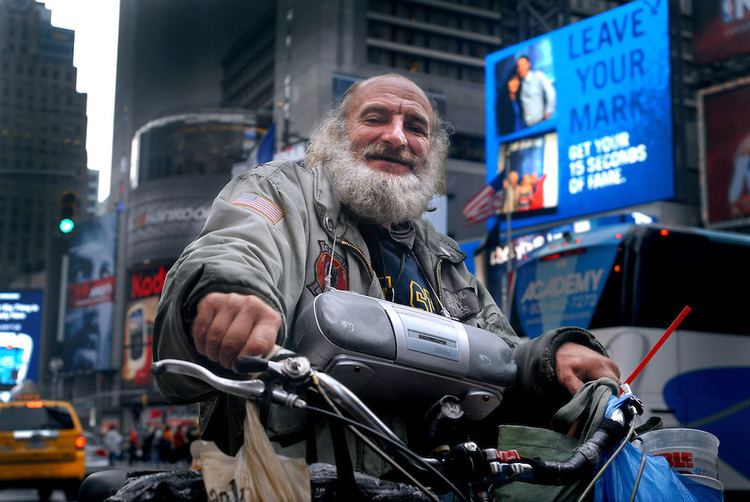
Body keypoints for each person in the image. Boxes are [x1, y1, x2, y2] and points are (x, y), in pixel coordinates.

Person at [154, 73, 619, 467]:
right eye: (376, 118)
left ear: (430, 152)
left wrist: (549, 359)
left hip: (428, 486)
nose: (397, 137)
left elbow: (498, 356)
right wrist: (230, 290)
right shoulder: (281, 192)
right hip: (283, 483)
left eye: (415, 127)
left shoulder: (445, 258)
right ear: (336, 135)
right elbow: (236, 246)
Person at [515, 55, 556, 127]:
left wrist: (548, 112)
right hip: (527, 128)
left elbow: (551, 92)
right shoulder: (520, 85)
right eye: (518, 66)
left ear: (528, 64)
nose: (520, 68)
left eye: (522, 65)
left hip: (541, 124)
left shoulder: (538, 76)